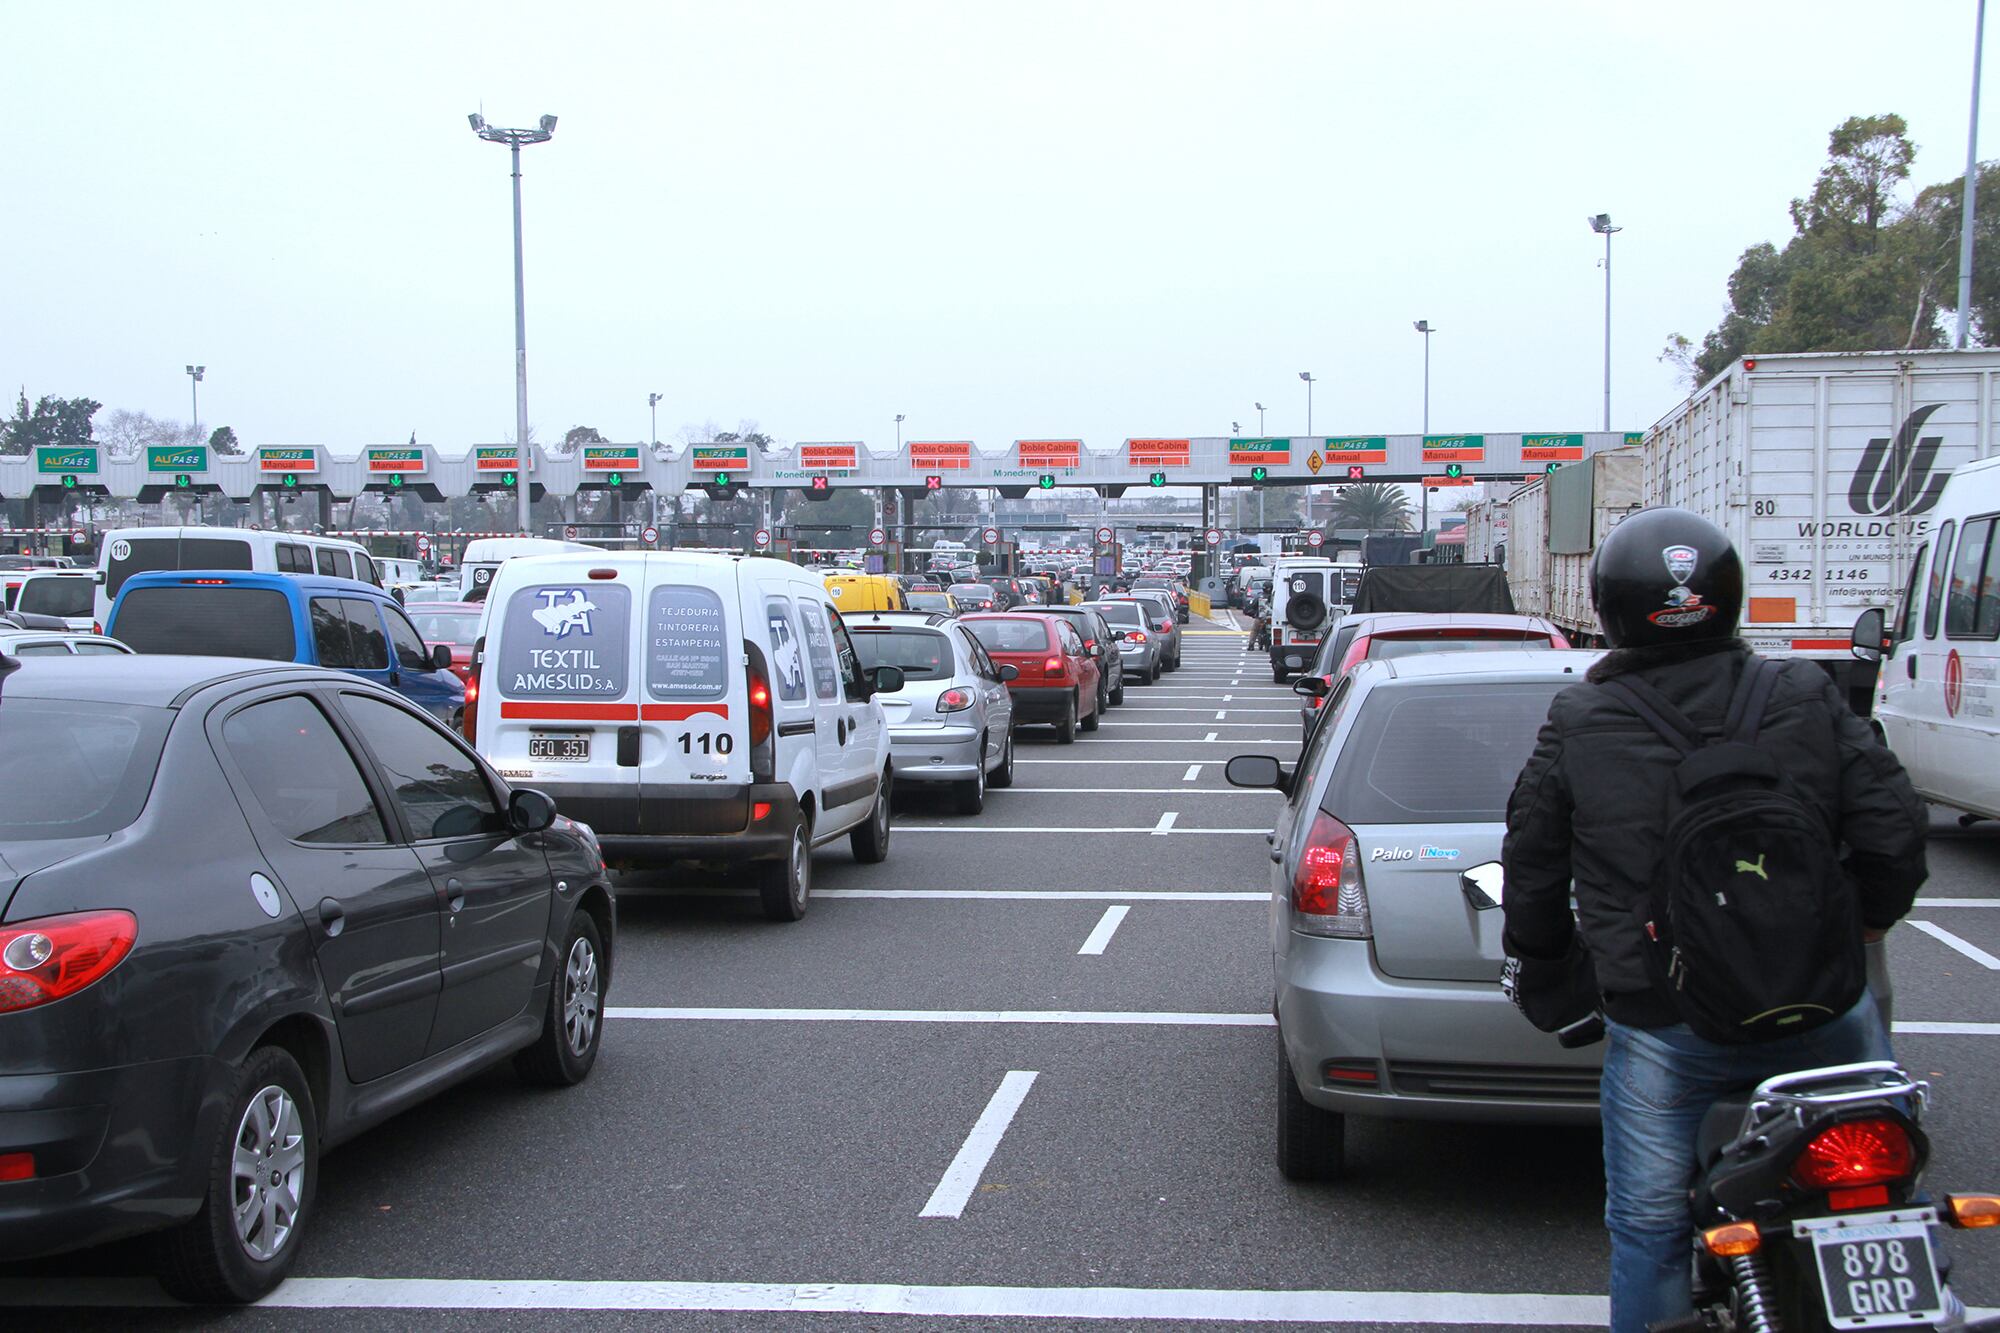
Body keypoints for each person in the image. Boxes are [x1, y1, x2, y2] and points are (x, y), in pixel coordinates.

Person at [1499, 507, 1928, 1333]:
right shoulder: (1803, 690)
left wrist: (1547, 964)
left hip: (1669, 1019)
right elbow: (1894, 831)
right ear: (1729, 597)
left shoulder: (1584, 719)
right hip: (1826, 1005)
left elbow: (1534, 865)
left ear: (1613, 608)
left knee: (1651, 1229)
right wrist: (1863, 928)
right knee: (1876, 1201)